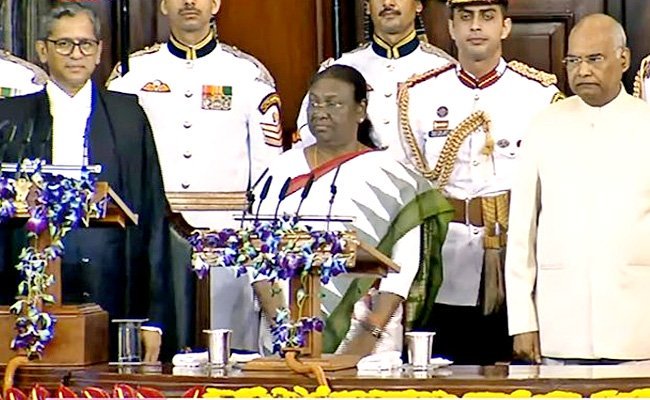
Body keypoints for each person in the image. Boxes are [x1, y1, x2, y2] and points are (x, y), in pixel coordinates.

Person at [107, 0, 284, 352]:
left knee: (229, 355)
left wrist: (257, 244)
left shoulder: (247, 74)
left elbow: (270, 173)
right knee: (156, 353)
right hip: (154, 234)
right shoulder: (131, 73)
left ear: (216, 4)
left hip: (229, 235)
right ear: (163, 5)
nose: (189, 2)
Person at [0, 3, 172, 362]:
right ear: (42, 50)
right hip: (24, 285)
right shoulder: (10, 117)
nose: (76, 54)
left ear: (99, 51)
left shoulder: (128, 115)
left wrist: (153, 319)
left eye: (85, 44)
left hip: (113, 285)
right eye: (64, 44)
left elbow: (152, 215)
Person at [397, 0, 563, 365]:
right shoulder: (420, 95)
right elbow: (407, 186)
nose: (476, 26)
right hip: (445, 258)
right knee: (442, 372)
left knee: (516, 375)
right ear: (451, 28)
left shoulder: (538, 96)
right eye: (465, 17)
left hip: (514, 260)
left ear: (505, 27)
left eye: (487, 17)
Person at [251, 65, 453, 356]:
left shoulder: (392, 176)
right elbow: (256, 253)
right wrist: (283, 327)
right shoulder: (280, 169)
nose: (320, 112)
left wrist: (368, 335)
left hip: (367, 342)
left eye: (333, 104)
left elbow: (402, 269)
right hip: (284, 338)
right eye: (315, 103)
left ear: (360, 110)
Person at [506, 14, 650, 365]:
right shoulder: (544, 125)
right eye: (573, 61)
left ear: (624, 59)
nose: (582, 70)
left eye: (594, 59)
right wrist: (522, 321)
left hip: (637, 325)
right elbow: (522, 232)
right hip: (559, 327)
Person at [296, 0, 456, 162]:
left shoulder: (446, 71)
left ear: (418, 5)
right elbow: (309, 140)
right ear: (367, 6)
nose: (388, 3)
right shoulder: (338, 71)